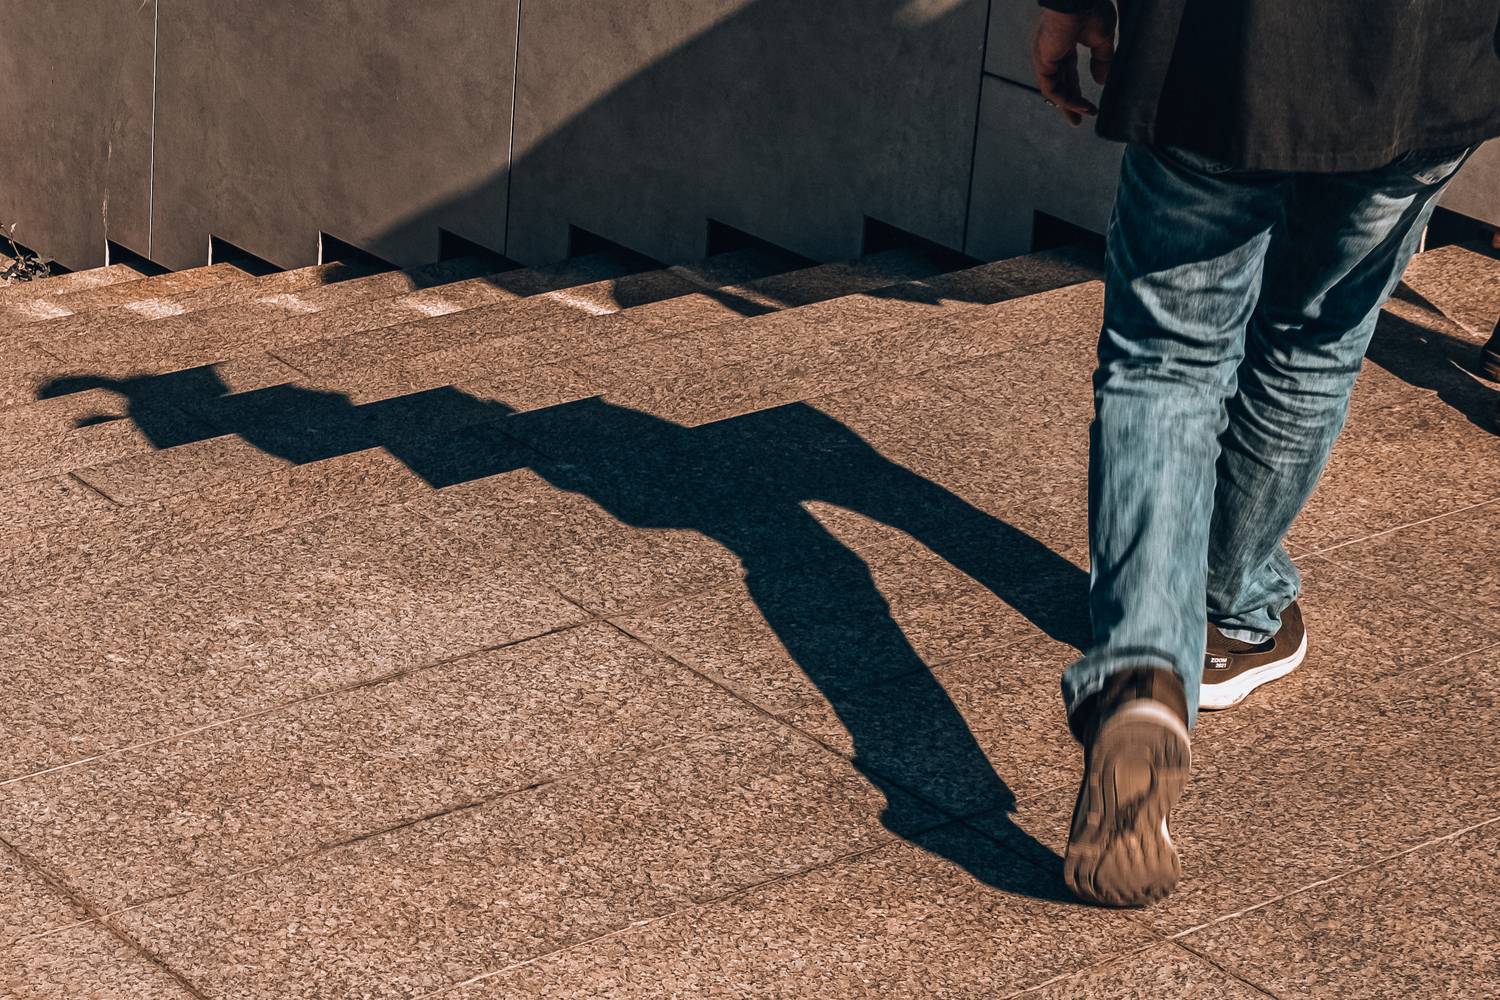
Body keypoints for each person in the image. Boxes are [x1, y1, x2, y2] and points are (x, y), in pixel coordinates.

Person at [1031, 0, 1500, 906]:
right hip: (1431, 62)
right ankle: (1229, 607)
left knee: (1165, 359)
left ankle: (1144, 669)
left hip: (1219, 47)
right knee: (1315, 338)